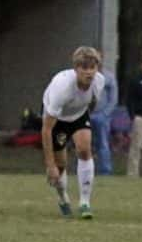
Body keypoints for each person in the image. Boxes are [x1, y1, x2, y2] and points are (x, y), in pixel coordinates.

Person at [41, 46, 105, 220]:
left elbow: (91, 103)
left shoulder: (99, 81)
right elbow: (46, 129)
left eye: (92, 68)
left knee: (85, 150)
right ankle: (63, 198)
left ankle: (85, 202)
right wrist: (50, 165)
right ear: (76, 69)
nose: (89, 73)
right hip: (57, 119)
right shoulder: (62, 89)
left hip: (79, 113)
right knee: (61, 165)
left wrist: (85, 125)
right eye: (84, 68)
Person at [90, 61, 118, 175]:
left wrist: (105, 114)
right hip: (85, 115)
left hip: (102, 116)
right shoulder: (83, 75)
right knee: (83, 143)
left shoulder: (109, 77)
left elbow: (113, 99)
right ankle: (83, 170)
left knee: (103, 144)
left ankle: (105, 171)